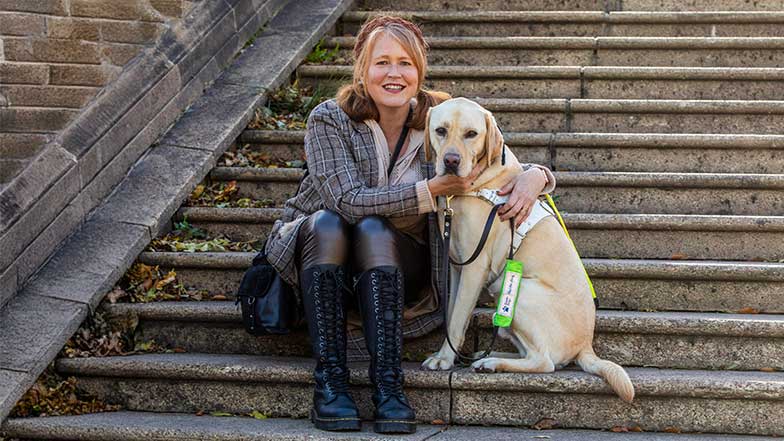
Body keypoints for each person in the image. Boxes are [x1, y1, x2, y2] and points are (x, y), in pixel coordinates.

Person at [264, 16, 556, 434]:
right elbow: (346, 200)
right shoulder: (329, 119)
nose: (394, 73)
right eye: (382, 62)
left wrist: (537, 176)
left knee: (375, 231)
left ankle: (388, 385)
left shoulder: (439, 120)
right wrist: (432, 189)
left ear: (420, 72)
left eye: (406, 63)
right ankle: (330, 382)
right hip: (321, 259)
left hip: (395, 266)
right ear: (362, 69)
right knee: (333, 222)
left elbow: (490, 153)